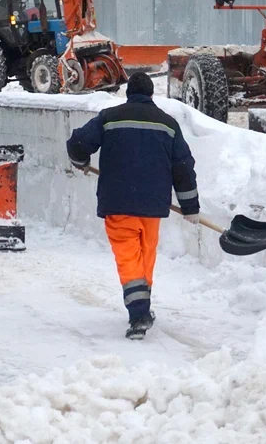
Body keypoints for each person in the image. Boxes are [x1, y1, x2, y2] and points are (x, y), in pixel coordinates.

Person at [65, 72, 200, 340]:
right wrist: (190, 205)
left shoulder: (109, 117)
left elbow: (78, 143)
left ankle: (139, 313)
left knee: (128, 257)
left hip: (118, 202)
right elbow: (183, 166)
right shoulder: (168, 124)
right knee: (144, 256)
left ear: (128, 94)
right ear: (151, 95)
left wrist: (80, 162)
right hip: (152, 206)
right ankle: (143, 305)